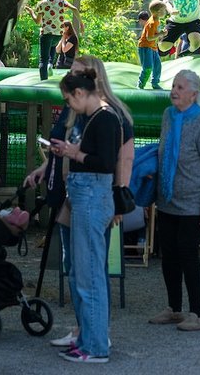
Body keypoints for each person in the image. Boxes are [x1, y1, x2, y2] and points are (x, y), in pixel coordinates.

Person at [24, 55, 134, 351]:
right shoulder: (77, 112)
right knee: (75, 267)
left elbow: (120, 160)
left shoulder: (111, 115)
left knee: (91, 269)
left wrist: (118, 198)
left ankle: (96, 335)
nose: (71, 78)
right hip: (70, 194)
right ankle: (84, 330)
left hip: (93, 195)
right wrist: (45, 167)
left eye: (77, 74)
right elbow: (64, 148)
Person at [50, 69, 120, 363]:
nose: (69, 105)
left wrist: (74, 154)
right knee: (84, 272)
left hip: (93, 198)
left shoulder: (105, 118)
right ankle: (87, 340)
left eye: (69, 98)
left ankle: (95, 347)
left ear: (80, 93)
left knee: (90, 275)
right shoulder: (92, 118)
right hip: (85, 198)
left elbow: (105, 163)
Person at [149, 69, 200, 332]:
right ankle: (175, 309)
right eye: (174, 86)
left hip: (192, 203)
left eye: (180, 87)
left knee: (188, 255)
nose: (174, 91)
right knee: (168, 256)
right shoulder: (168, 115)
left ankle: (198, 313)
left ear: (194, 94)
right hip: (168, 199)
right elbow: (162, 151)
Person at [25, 0, 84, 81]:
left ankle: (44, 81)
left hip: (46, 34)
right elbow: (74, 9)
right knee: (52, 48)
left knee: (43, 59)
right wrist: (81, 24)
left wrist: (31, 12)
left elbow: (37, 21)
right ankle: (50, 65)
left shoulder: (42, 3)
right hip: (58, 35)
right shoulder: (62, 1)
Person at [137, 1, 165, 89]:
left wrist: (161, 34)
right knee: (148, 67)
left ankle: (155, 83)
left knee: (157, 65)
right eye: (163, 10)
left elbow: (154, 34)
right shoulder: (152, 23)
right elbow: (149, 38)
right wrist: (160, 34)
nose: (165, 12)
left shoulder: (157, 20)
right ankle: (141, 84)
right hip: (145, 47)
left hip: (153, 47)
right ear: (158, 12)